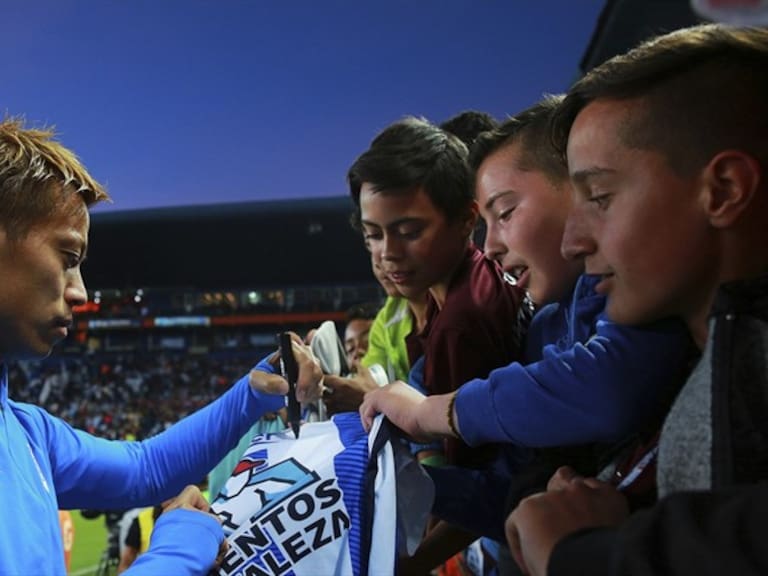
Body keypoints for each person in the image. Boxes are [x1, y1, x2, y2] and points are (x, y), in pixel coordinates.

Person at [357, 97, 696, 573]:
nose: (491, 245)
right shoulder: (547, 322)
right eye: (372, 234)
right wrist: (415, 482)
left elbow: (607, 387)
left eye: (506, 212)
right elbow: (515, 485)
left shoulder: (630, 305)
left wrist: (434, 412)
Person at [0, 117, 322, 574]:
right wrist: (182, 546)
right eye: (68, 259)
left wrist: (251, 394)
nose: (81, 292)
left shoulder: (27, 431)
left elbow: (145, 468)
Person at [504, 24, 768, 576]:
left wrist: (581, 556)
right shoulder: (700, 366)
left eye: (600, 197)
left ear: (723, 189)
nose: (572, 243)